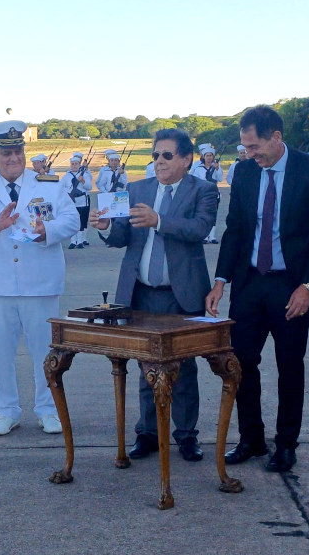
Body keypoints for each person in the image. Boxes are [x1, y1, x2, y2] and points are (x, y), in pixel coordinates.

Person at [205, 106, 309, 473]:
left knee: (289, 364)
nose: (249, 153)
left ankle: (286, 443)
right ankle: (251, 438)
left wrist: (308, 286)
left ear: (276, 138)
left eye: (254, 146)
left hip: (293, 283)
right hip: (250, 283)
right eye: (245, 147)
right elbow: (235, 229)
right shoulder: (245, 172)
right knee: (240, 361)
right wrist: (221, 281)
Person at [89, 128, 218, 462]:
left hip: (181, 295)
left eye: (167, 155)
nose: (159, 162)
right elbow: (121, 237)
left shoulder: (203, 190)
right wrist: (105, 228)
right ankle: (146, 433)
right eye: (155, 155)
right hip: (141, 294)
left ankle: (186, 435)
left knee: (184, 367)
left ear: (187, 159)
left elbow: (199, 229)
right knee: (146, 365)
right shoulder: (136, 189)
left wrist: (158, 219)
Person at [0, 120, 79, 436]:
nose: (13, 159)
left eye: (18, 151)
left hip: (40, 284)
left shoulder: (48, 184)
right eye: (6, 153)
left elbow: (72, 219)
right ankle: (6, 411)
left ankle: (48, 410)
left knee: (46, 353)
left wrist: (48, 231)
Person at [189, 146, 223, 243]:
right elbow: (194, 181)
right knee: (204, 215)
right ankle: (204, 236)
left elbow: (220, 178)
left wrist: (216, 169)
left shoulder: (216, 166)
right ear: (204, 157)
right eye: (207, 156)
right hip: (202, 195)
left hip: (214, 194)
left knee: (213, 215)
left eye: (210, 156)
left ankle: (212, 237)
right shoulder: (199, 169)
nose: (209, 158)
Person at [59, 153, 93, 248]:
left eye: (76, 164)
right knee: (72, 221)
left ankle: (80, 241)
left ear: (79, 165)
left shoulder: (84, 174)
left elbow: (89, 187)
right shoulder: (66, 176)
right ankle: (73, 241)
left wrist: (83, 181)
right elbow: (61, 188)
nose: (74, 165)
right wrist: (69, 193)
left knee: (82, 221)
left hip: (82, 201)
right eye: (72, 164)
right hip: (71, 201)